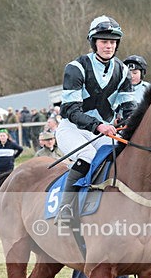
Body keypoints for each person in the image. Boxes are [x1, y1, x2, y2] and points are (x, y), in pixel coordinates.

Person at [55, 15, 135, 228]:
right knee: (88, 155)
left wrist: (130, 124)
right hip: (73, 129)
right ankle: (66, 209)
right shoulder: (76, 68)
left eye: (112, 42)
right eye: (104, 41)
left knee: (121, 158)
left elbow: (129, 107)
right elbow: (70, 109)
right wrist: (98, 125)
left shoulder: (123, 71)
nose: (109, 45)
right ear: (94, 42)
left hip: (104, 132)